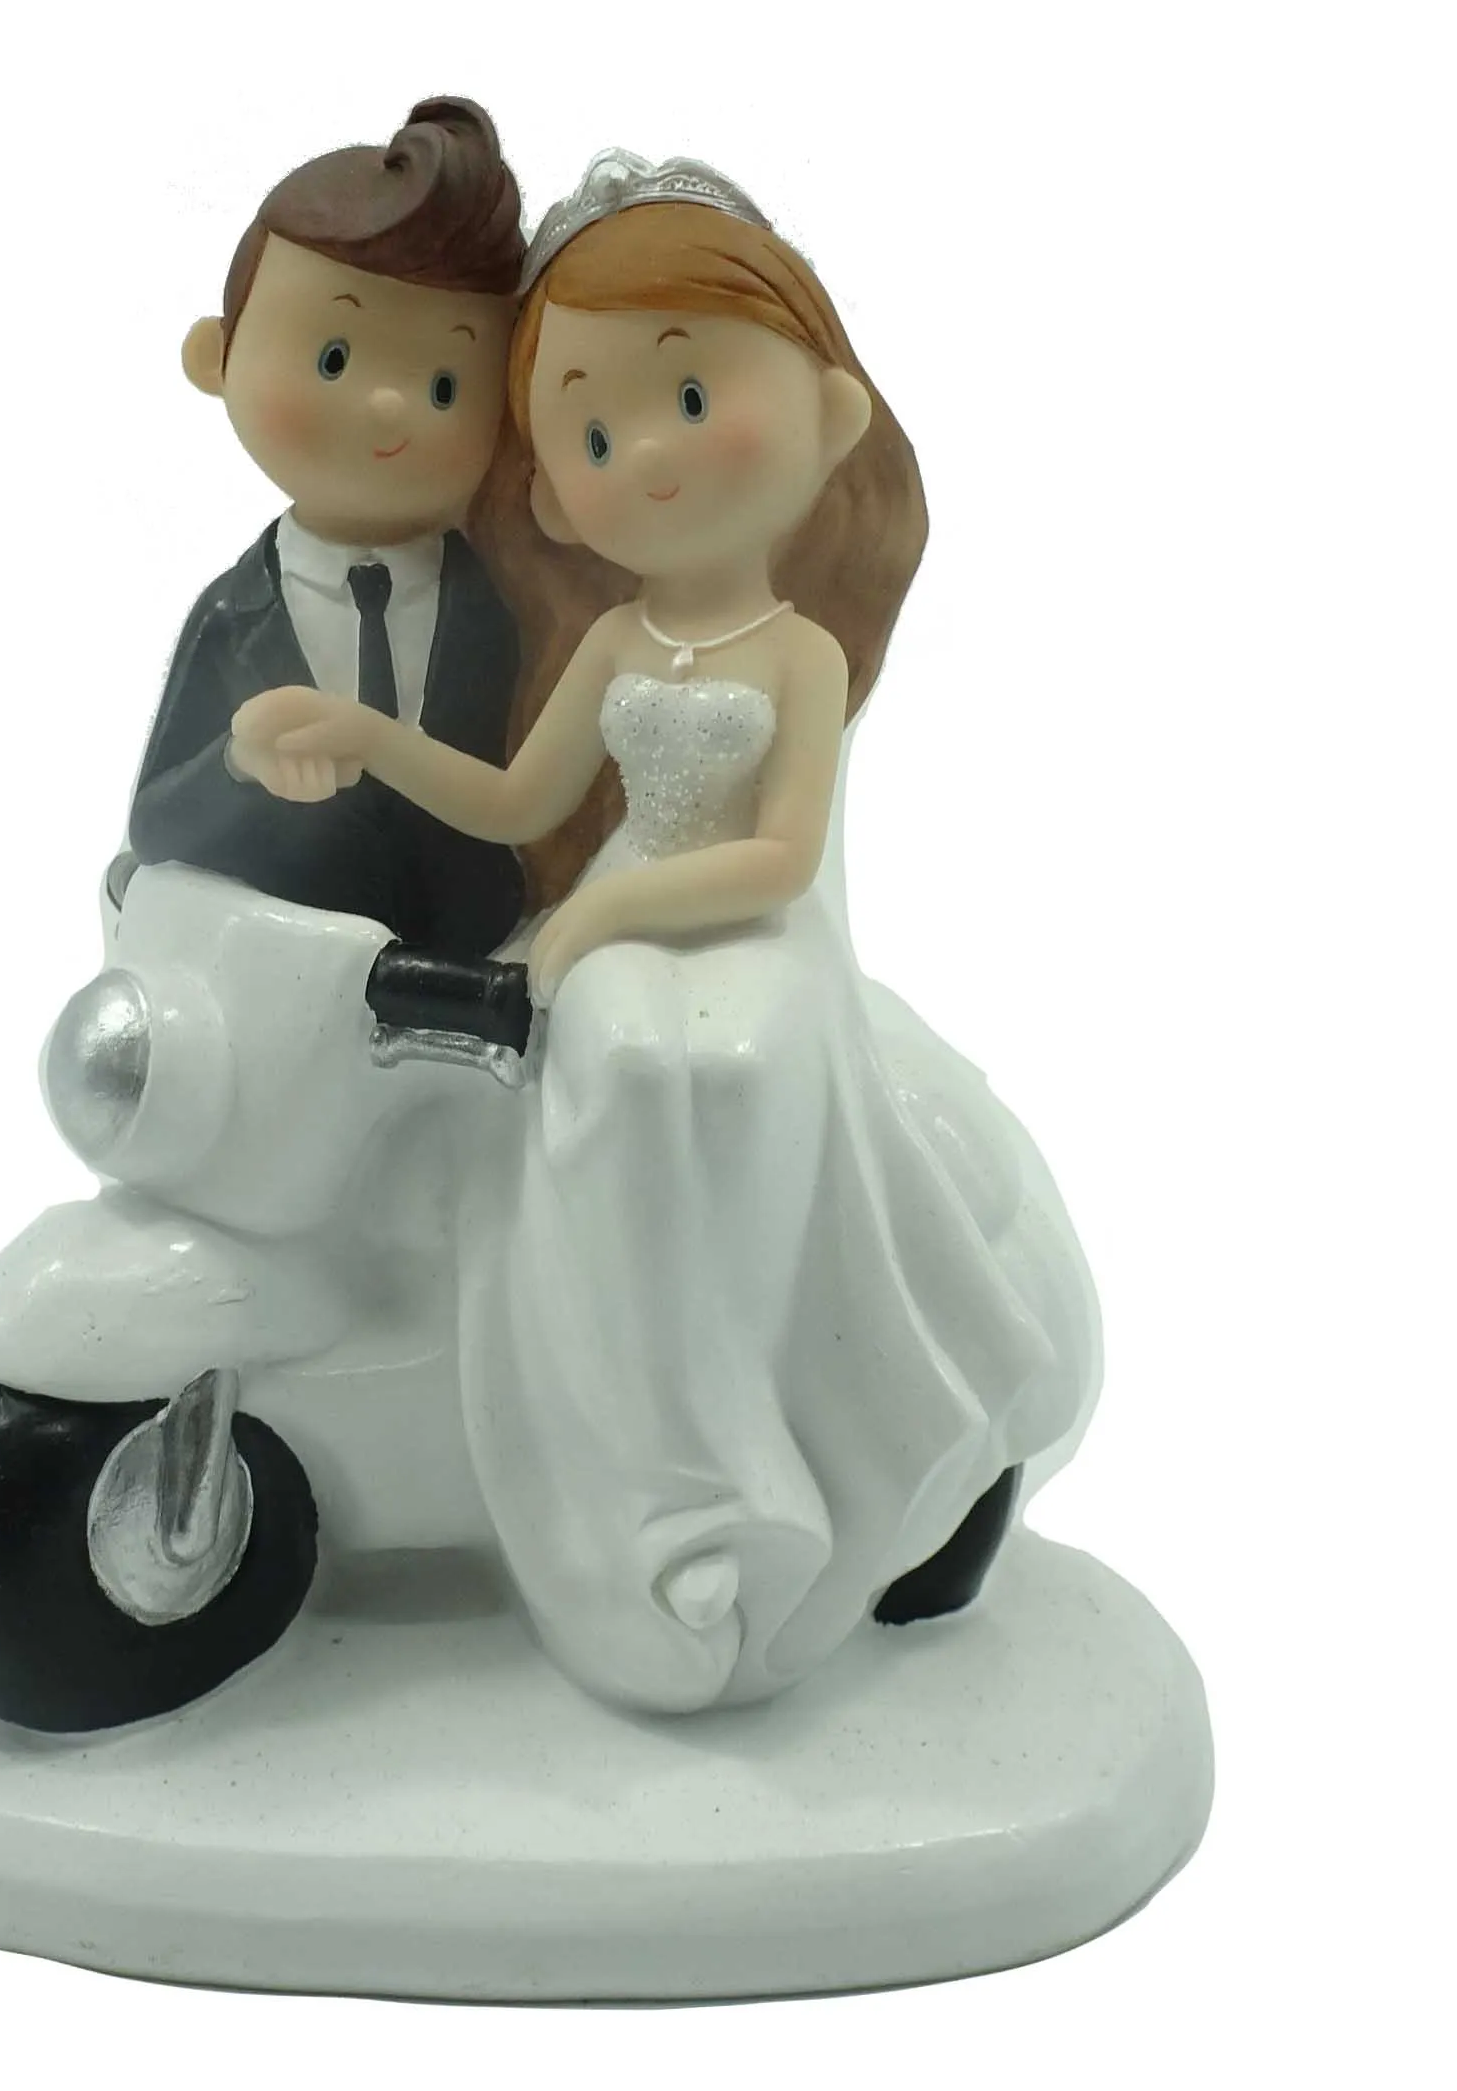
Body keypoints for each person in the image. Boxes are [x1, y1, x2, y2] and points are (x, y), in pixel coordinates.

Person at [234, 152, 1100, 1715]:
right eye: (589, 429)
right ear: (548, 488)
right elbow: (516, 799)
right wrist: (366, 739)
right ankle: (632, 1451)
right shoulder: (619, 640)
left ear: (829, 414)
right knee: (583, 1059)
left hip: (746, 931)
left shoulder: (798, 658)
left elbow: (777, 857)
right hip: (611, 922)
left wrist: (615, 904)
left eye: (690, 399)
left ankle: (752, 1455)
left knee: (709, 1067)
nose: (644, 453)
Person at [112, 97, 529, 960]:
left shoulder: (500, 604)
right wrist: (239, 763)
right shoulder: (235, 616)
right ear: (216, 357)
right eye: (333, 359)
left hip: (479, 961)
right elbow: (155, 823)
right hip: (292, 968)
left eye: (445, 386)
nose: (389, 406)